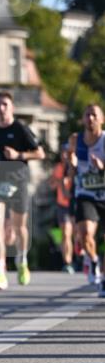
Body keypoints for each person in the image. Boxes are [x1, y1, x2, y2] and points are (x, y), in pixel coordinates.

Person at [0, 91, 45, 290]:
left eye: (5, 104)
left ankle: (22, 260)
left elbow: (40, 153)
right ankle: (0, 273)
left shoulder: (21, 129)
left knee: (19, 228)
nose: (1, 108)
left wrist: (18, 154)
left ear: (12, 107)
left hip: (17, 183)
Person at [68, 103, 105, 295]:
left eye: (94, 115)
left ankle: (104, 280)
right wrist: (71, 165)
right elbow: (71, 170)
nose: (90, 118)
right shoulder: (76, 140)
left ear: (101, 119)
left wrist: (102, 167)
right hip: (85, 194)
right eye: (87, 115)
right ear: (82, 119)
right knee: (85, 235)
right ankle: (93, 260)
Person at [49, 143, 75, 273]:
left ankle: (83, 257)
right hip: (62, 205)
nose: (64, 155)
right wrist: (59, 181)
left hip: (76, 204)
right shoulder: (59, 168)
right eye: (62, 153)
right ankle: (68, 262)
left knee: (80, 234)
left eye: (67, 153)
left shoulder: (77, 167)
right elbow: (52, 186)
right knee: (66, 234)